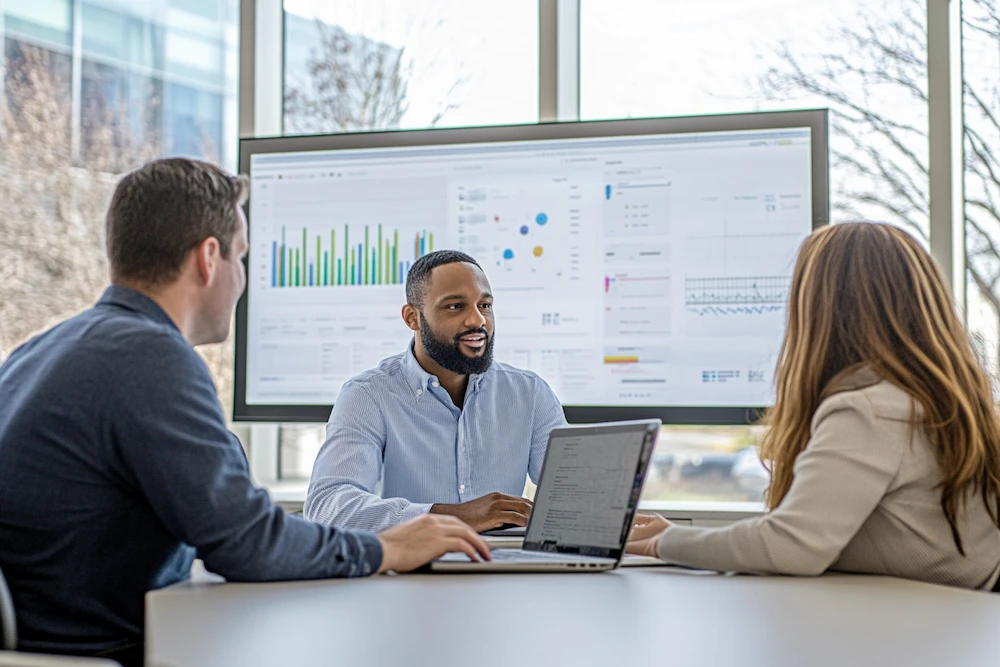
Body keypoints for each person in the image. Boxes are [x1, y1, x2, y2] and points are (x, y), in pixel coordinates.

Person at [0, 158, 489, 665]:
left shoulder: (40, 350)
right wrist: (389, 548)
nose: (243, 280)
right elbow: (248, 542)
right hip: (101, 653)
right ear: (209, 258)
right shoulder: (151, 357)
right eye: (241, 258)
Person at [629, 222, 1000, 590]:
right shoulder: (927, 398)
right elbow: (817, 532)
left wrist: (664, 542)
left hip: (940, 616)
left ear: (821, 309)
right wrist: (679, 537)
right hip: (959, 613)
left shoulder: (870, 410)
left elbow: (791, 547)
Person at [305, 250, 568, 532]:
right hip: (413, 559)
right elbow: (327, 508)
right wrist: (453, 516)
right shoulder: (368, 396)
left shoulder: (530, 393)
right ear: (412, 318)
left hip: (503, 559)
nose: (477, 320)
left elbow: (575, 492)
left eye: (485, 305)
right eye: (455, 306)